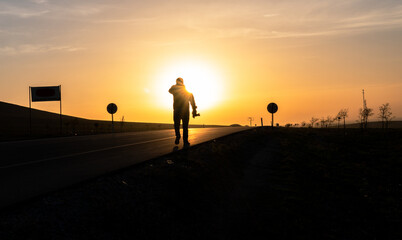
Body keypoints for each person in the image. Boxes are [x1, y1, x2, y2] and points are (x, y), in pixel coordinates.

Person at [169, 77, 199, 146]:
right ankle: (181, 138)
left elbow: (193, 104)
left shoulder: (186, 93)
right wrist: (194, 111)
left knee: (180, 126)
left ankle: (183, 139)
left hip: (179, 111)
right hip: (181, 111)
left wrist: (194, 111)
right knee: (180, 126)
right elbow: (170, 90)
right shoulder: (183, 92)